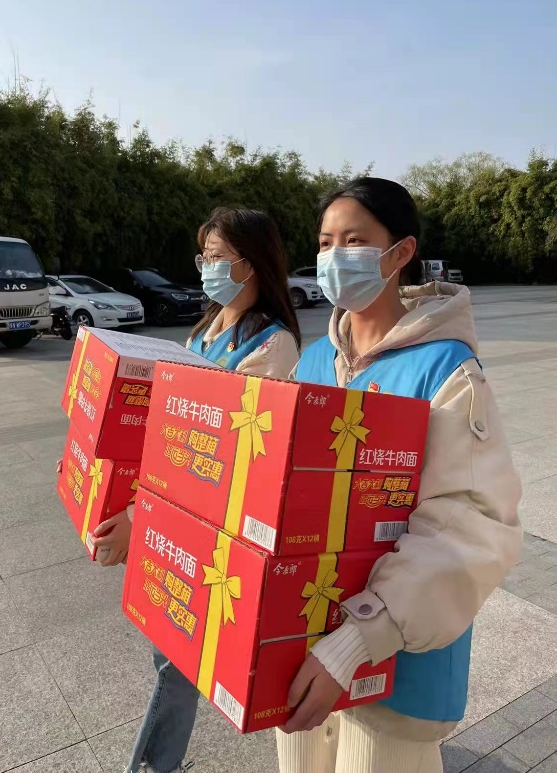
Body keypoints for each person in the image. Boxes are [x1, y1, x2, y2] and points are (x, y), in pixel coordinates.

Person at [275, 178, 522, 773]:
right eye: (325, 243)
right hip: (296, 643)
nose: (335, 256)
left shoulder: (445, 368)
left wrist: (355, 642)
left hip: (396, 666)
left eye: (355, 241)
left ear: (400, 251)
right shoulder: (313, 361)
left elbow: (472, 525)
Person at [90, 207, 301, 773]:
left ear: (250, 264)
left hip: (207, 524)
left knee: (175, 660)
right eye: (203, 256)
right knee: (172, 653)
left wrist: (139, 515)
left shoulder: (271, 345)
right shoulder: (204, 331)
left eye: (216, 257)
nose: (206, 267)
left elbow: (229, 461)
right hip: (168, 509)